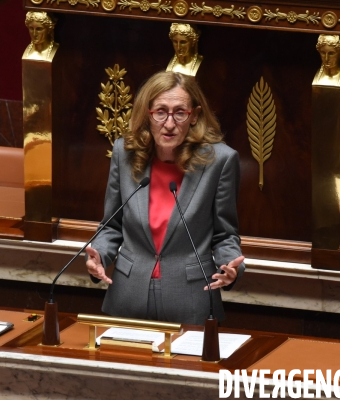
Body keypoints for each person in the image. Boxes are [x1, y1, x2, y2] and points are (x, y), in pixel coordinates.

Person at [85, 71, 245, 325]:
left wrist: (231, 268)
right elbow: (111, 225)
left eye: (180, 112)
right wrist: (99, 256)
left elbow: (225, 234)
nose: (169, 123)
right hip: (128, 293)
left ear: (194, 116)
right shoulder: (124, 153)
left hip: (191, 297)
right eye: (160, 111)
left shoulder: (220, 161)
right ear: (147, 114)